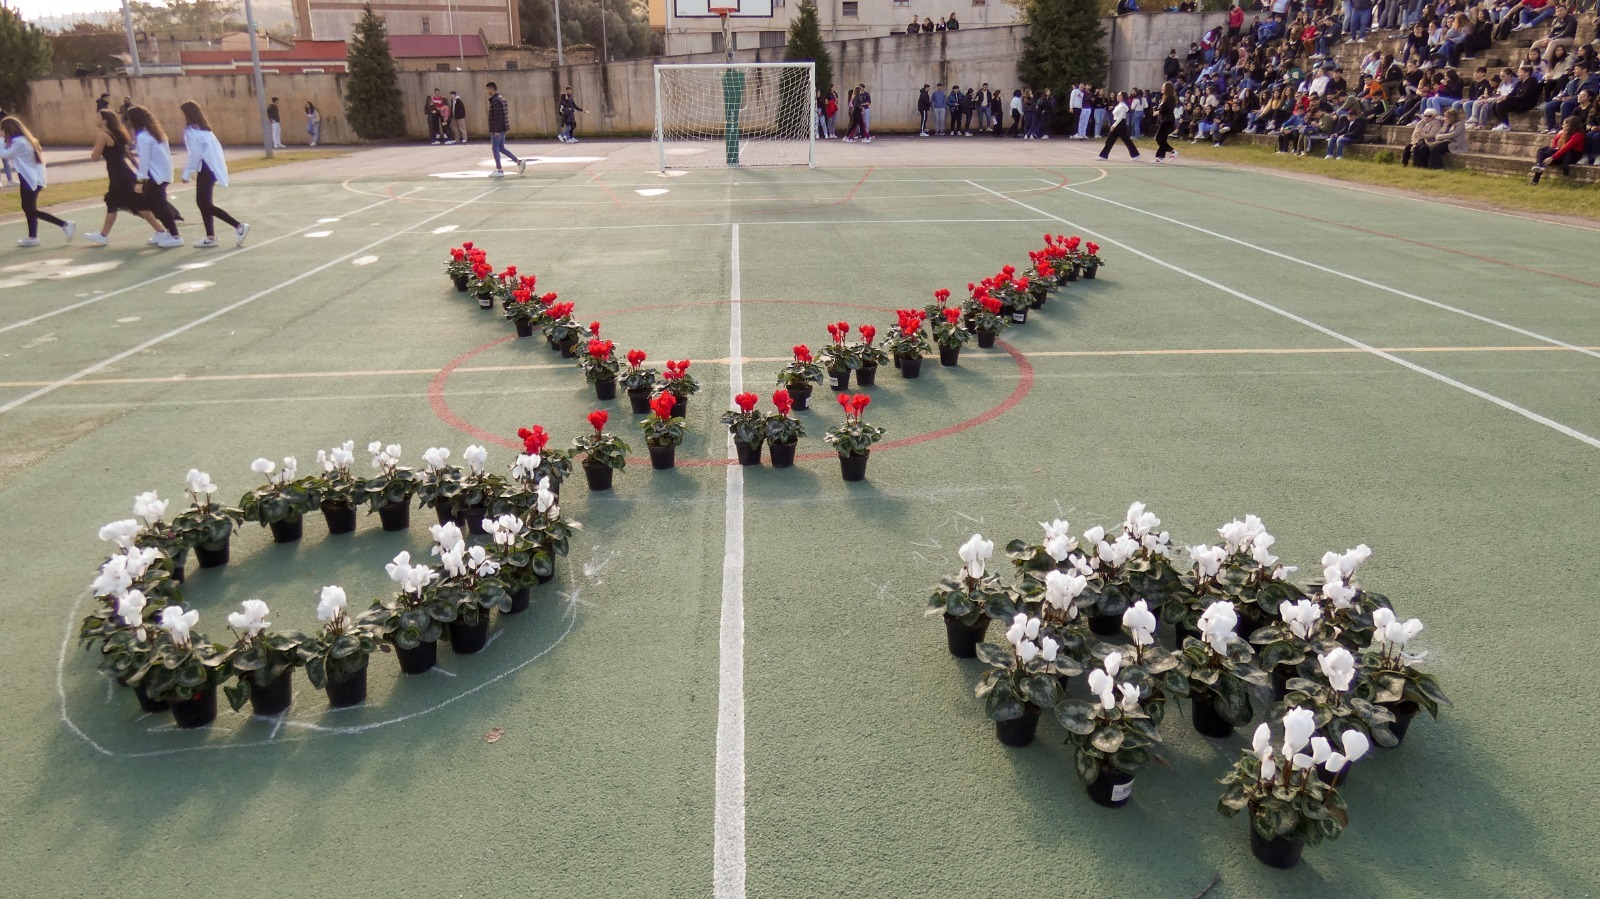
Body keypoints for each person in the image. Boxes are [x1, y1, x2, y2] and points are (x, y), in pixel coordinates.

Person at [80, 110, 163, 246]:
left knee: (137, 203)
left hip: (118, 174)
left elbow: (95, 157)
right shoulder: (118, 133)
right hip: (121, 171)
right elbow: (129, 155)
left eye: (98, 117)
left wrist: (96, 147)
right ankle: (103, 235)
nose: (96, 119)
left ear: (105, 120)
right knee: (112, 202)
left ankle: (161, 231)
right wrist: (137, 168)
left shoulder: (103, 135)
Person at [178, 101, 248, 249]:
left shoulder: (191, 131)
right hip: (211, 168)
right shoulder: (205, 130)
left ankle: (238, 226)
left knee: (204, 204)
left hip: (206, 169)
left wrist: (187, 173)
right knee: (204, 203)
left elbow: (194, 154)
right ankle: (210, 236)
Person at [1, 116, 74, 247]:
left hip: (30, 179)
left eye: (2, 130)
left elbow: (5, 154)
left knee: (29, 208)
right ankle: (33, 237)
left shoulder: (20, 142)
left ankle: (64, 224)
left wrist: (0, 140)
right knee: (29, 208)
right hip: (31, 178)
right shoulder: (24, 140)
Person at [127, 106, 182, 247]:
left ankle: (175, 236)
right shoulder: (156, 134)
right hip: (163, 173)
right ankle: (166, 233)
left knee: (159, 205)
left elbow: (144, 161)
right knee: (154, 204)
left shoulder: (144, 137)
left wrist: (140, 181)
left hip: (155, 175)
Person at [485, 82, 525, 176]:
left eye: (487, 89)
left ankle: (499, 169)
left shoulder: (495, 101)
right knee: (501, 148)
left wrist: (497, 130)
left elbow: (498, 116)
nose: (486, 91)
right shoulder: (501, 99)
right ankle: (518, 162)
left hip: (497, 129)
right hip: (502, 127)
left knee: (495, 148)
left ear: (491, 89)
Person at [1530, 114, 1585, 181]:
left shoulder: (1578, 135)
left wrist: (1552, 157)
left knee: (1544, 156)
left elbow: (1566, 148)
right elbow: (1555, 142)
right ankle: (1539, 166)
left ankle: (1536, 177)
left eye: (1565, 124)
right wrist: (1560, 134)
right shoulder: (1565, 133)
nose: (1562, 126)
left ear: (1571, 126)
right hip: (1562, 153)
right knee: (1541, 150)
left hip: (1571, 155)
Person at [1098, 91, 1141, 160]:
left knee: (1126, 140)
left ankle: (1135, 155)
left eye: (1120, 95)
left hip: (1120, 125)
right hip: (1116, 123)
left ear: (1123, 97)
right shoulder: (1119, 105)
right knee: (1110, 140)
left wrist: (1114, 125)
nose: (1118, 97)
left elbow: (1120, 117)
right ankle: (1103, 155)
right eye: (1118, 95)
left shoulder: (1123, 106)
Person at [1153, 82, 1178, 162]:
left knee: (1158, 138)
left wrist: (1159, 111)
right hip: (1165, 120)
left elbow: (1168, 109)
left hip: (1168, 121)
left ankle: (1172, 151)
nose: (1161, 88)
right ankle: (1160, 157)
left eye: (1163, 87)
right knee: (1162, 139)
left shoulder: (1170, 98)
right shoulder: (1165, 97)